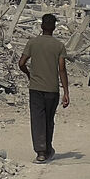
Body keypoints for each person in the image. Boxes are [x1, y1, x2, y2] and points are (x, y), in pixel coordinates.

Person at [18, 14, 70, 163]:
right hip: (52, 89)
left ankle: (40, 152)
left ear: (41, 27)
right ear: (54, 27)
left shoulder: (32, 43)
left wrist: (29, 74)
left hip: (35, 87)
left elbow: (21, 63)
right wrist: (66, 91)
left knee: (37, 120)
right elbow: (62, 69)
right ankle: (48, 148)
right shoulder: (59, 45)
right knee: (49, 119)